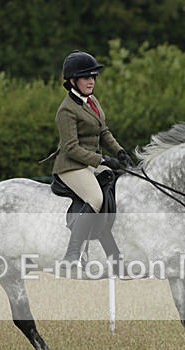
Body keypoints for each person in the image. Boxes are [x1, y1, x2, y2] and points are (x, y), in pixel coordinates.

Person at [50, 50, 133, 268]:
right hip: (71, 165)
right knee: (95, 199)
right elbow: (71, 148)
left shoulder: (92, 101)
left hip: (89, 163)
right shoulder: (66, 110)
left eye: (93, 76)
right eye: (87, 77)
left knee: (113, 189)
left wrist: (120, 152)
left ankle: (114, 257)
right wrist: (102, 160)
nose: (92, 80)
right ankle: (72, 254)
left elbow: (104, 132)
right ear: (72, 81)